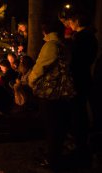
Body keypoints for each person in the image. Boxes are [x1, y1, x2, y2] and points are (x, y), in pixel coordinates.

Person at [28, 20, 73, 170]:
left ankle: (52, 159)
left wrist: (31, 80)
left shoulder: (51, 46)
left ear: (45, 31)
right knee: (58, 125)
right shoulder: (64, 45)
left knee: (52, 126)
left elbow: (41, 66)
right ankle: (54, 154)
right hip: (62, 92)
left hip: (50, 92)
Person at [66, 11, 98, 167]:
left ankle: (80, 149)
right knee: (81, 112)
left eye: (71, 22)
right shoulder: (91, 37)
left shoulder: (80, 38)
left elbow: (74, 60)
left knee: (78, 113)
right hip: (85, 77)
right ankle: (82, 146)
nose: (69, 25)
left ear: (77, 21)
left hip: (78, 79)